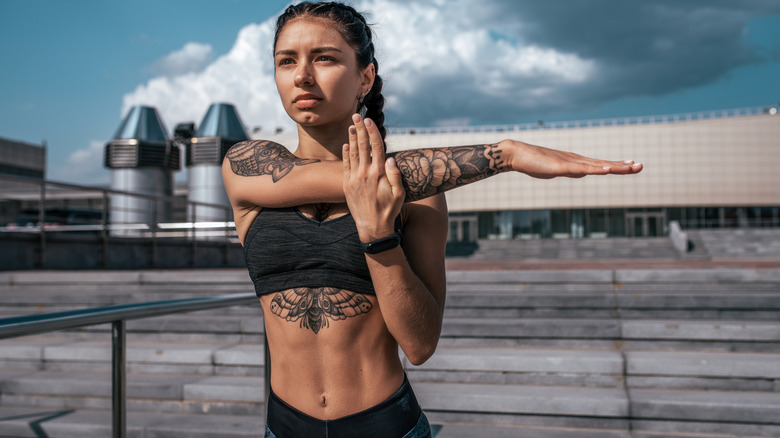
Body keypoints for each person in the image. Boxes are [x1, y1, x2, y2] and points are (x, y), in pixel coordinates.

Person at [221, 2, 643, 437]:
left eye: (324, 57)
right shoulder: (248, 165)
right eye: (286, 61)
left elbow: (420, 345)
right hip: (284, 426)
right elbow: (367, 178)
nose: (302, 75)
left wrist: (378, 237)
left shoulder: (420, 200)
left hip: (387, 425)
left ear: (364, 77)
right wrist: (505, 155)